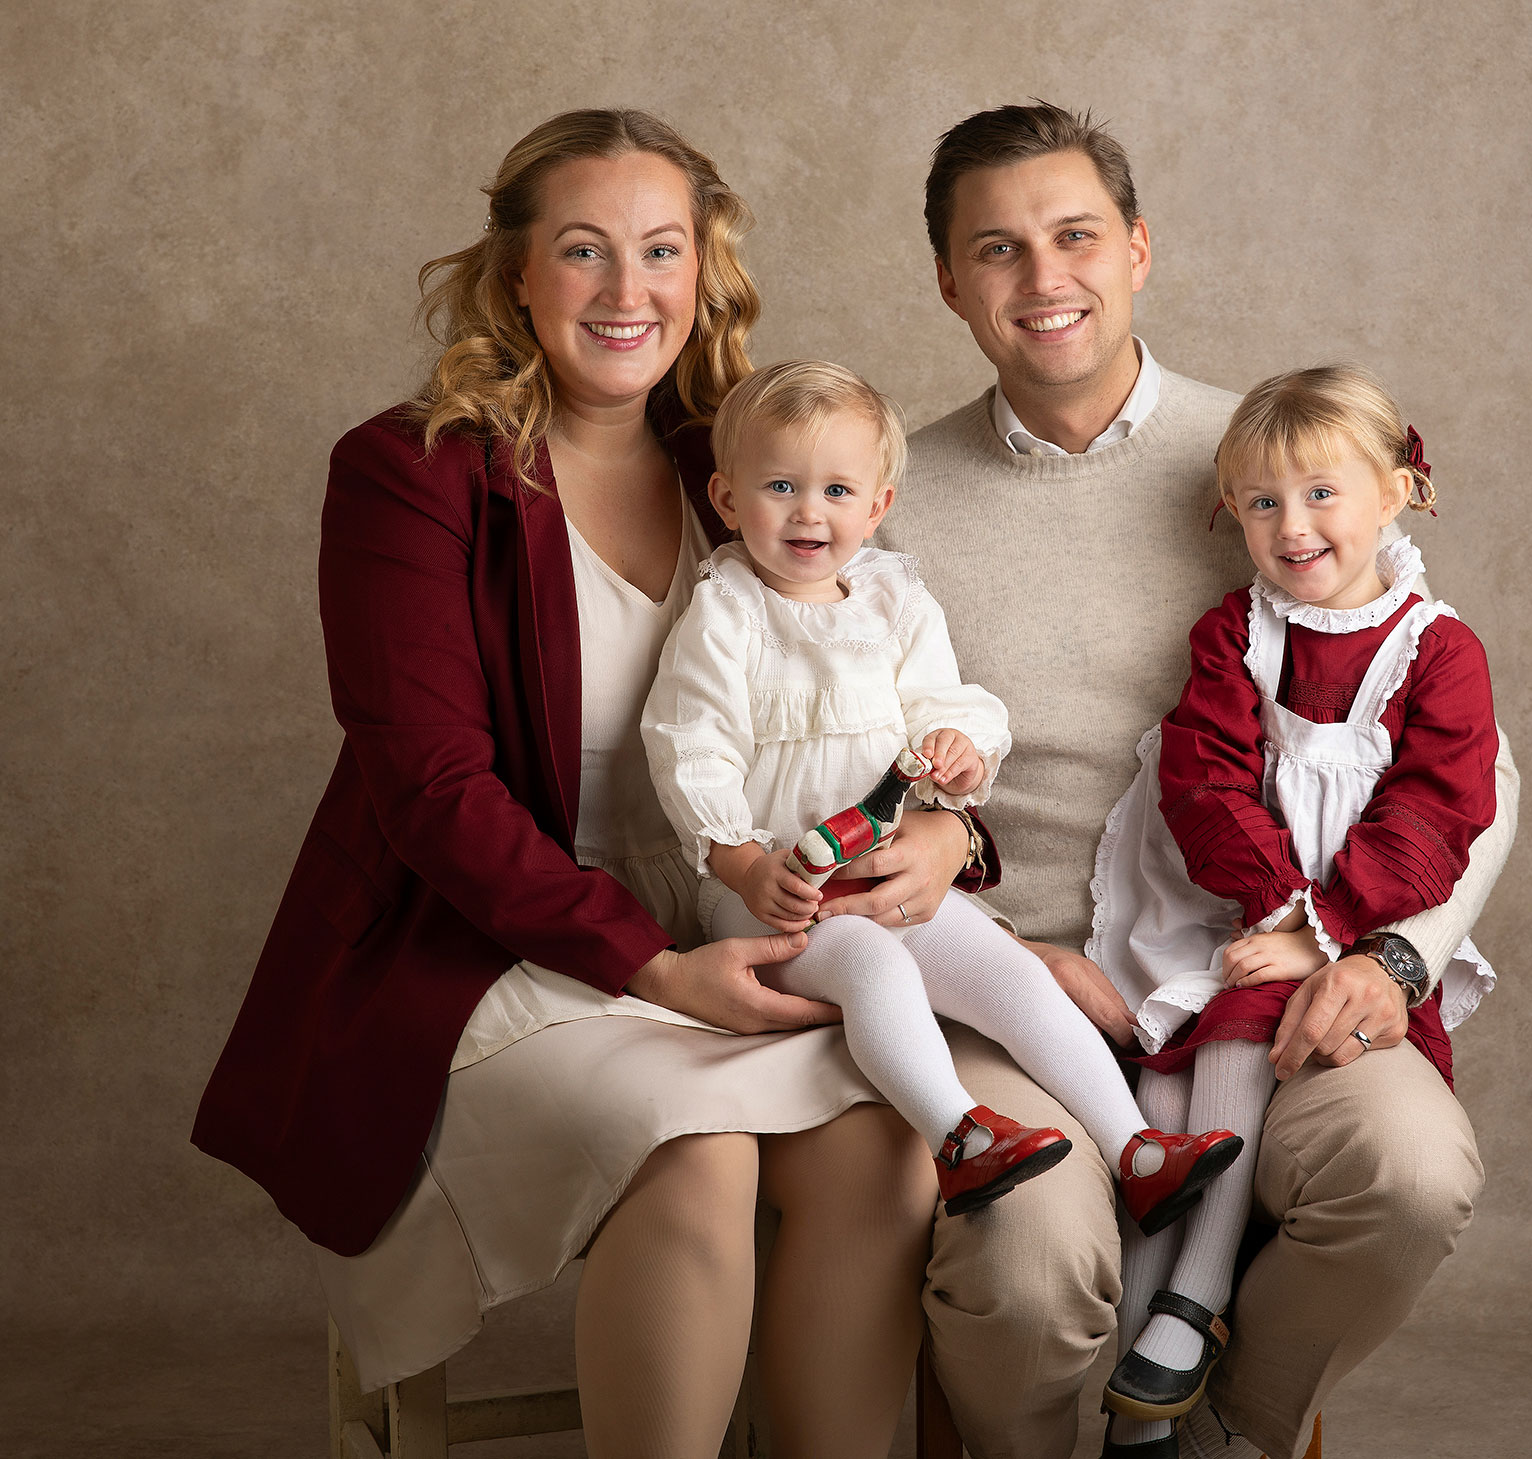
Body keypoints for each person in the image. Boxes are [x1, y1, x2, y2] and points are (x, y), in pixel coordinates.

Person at [190, 110, 950, 1459]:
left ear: (702, 273)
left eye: (661, 250)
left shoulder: (751, 467)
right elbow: (430, 790)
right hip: (487, 940)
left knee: (882, 1146)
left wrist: (944, 832)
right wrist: (652, 967)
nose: (625, 289)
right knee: (698, 1142)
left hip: (732, 914)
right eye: (584, 250)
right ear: (518, 276)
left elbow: (883, 704)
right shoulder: (411, 473)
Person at [870, 102, 1520, 1459]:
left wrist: (1387, 954)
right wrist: (990, 950)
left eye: (1075, 235)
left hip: (1269, 956)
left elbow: (1471, 764)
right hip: (1019, 983)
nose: (1044, 278)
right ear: (947, 283)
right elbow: (842, 766)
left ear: (1140, 248)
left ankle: (1224, 1421)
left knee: (1405, 1175)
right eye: (997, 249)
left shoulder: (1278, 461)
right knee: (1028, 1252)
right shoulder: (885, 495)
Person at [640, 357, 1243, 1228]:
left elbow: (944, 702)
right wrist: (740, 864)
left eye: (838, 490)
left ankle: (1136, 1147)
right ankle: (958, 1136)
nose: (811, 512)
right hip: (777, 892)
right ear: (729, 501)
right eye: (781, 486)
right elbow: (689, 747)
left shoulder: (893, 597)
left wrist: (959, 750)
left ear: (878, 506)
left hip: (882, 870)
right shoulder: (726, 614)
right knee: (873, 963)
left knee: (1005, 968)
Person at [1088, 365, 1501, 1455]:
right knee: (1174, 1085)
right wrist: (1272, 914)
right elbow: (1203, 780)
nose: (1293, 524)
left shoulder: (1437, 650)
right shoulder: (1236, 633)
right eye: (1263, 502)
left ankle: (1195, 1295)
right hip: (1226, 906)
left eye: (1322, 493)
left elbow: (1435, 813)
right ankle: (1142, 1350)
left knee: (1261, 1044)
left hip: (1361, 930)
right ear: (1233, 515)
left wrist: (1319, 932)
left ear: (1395, 492)